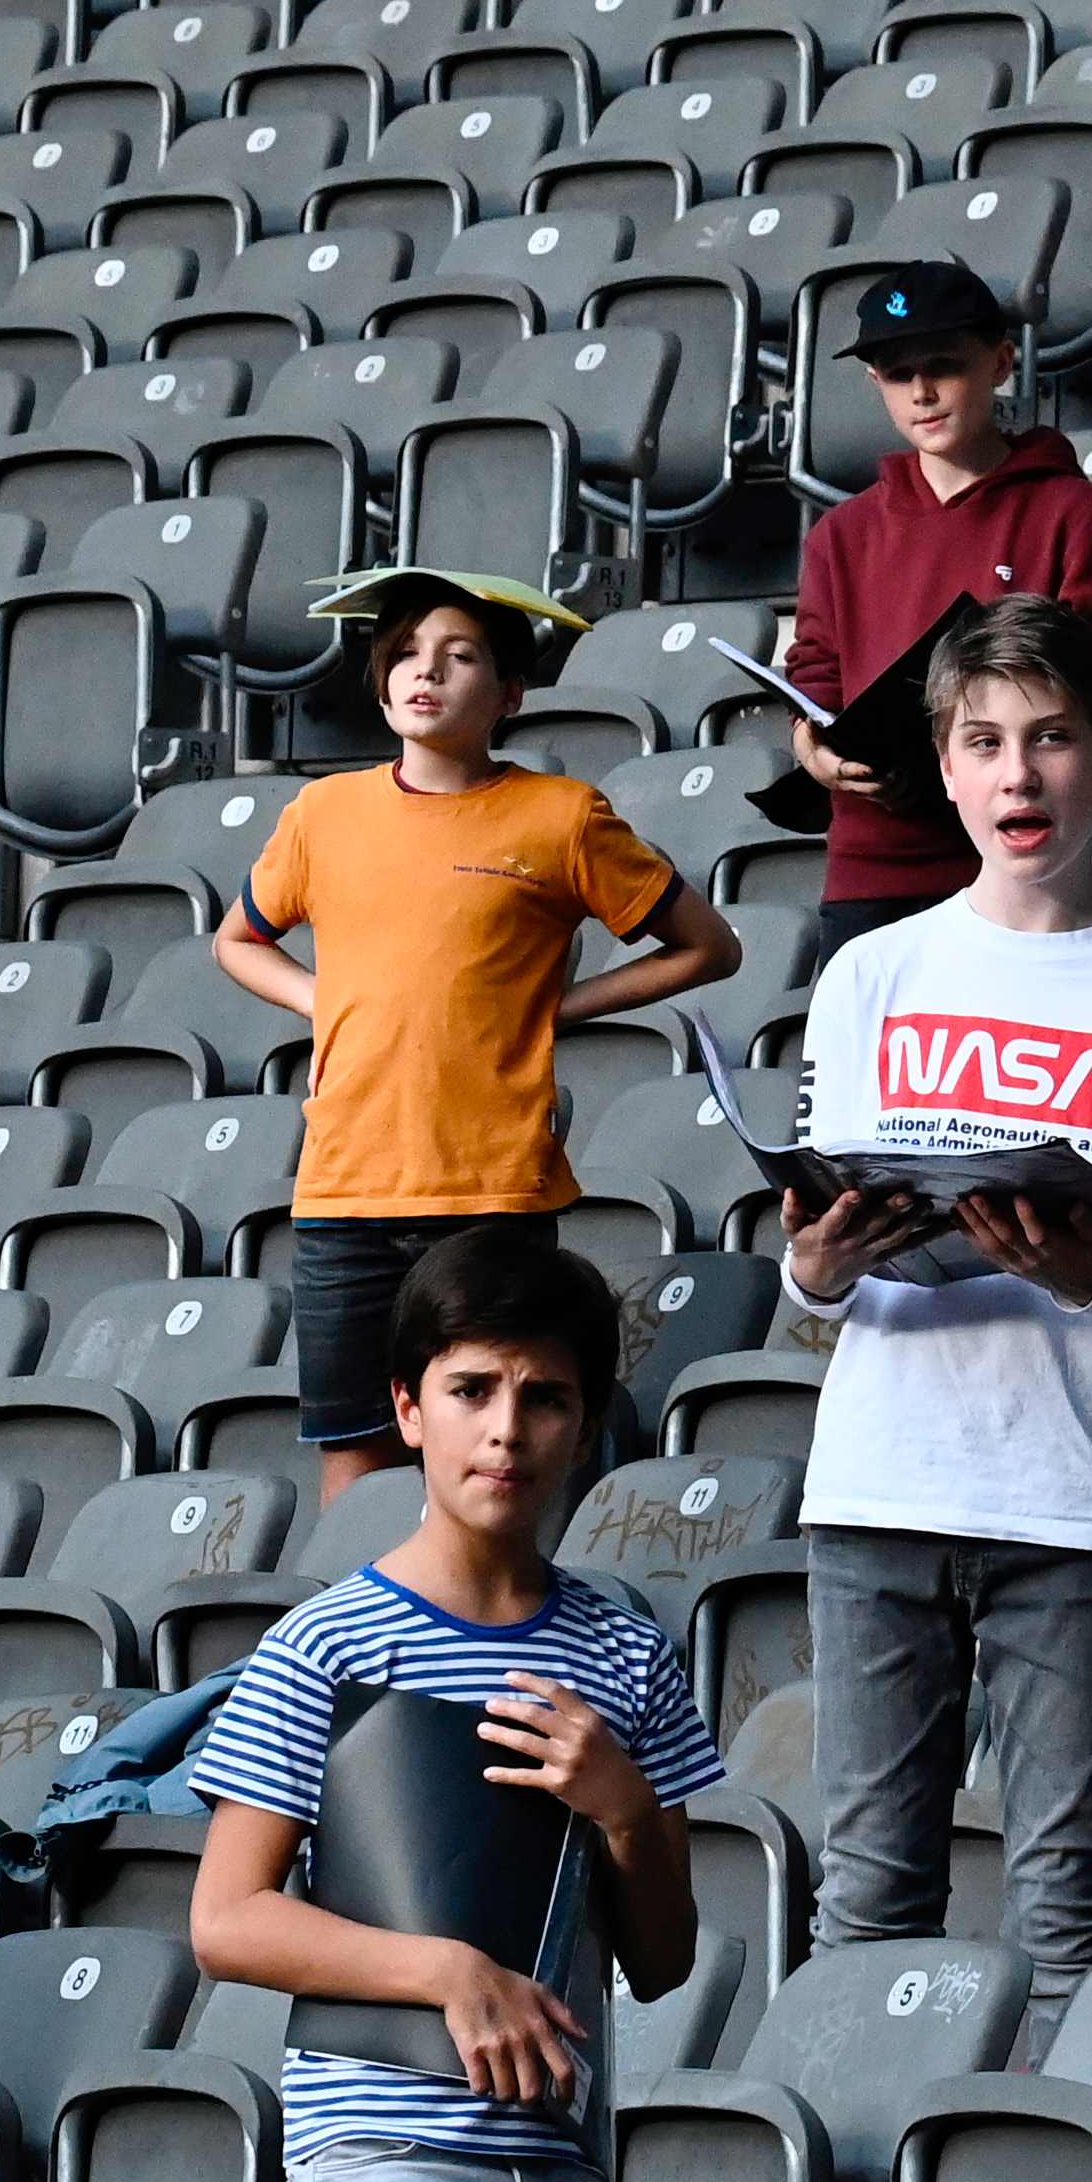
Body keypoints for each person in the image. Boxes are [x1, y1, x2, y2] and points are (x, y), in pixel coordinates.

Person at [784, 595, 1092, 2014]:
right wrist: (821, 1263)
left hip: (1066, 1507)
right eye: (986, 741)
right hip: (876, 1490)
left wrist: (1089, 1276)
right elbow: (813, 1278)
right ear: (942, 763)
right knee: (867, 1902)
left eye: (1052, 739)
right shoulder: (873, 972)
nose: (1019, 775)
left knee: (1068, 1905)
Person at [184, 1227, 721, 2182]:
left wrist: (622, 1806)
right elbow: (227, 1921)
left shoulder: (627, 1654)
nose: (506, 1429)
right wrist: (448, 1973)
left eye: (545, 1398)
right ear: (409, 1408)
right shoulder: (325, 1645)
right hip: (381, 2154)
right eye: (471, 1389)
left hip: (557, 2161)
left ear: (585, 1426)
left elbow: (663, 1959)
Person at [214, 571, 746, 1503]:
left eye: (460, 658)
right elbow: (237, 939)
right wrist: (323, 1000)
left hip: (491, 1192)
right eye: (409, 655)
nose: (428, 674)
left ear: (508, 695)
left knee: (495, 1463)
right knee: (358, 1460)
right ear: (380, 684)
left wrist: (558, 1008)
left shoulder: (562, 815)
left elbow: (708, 947)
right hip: (343, 1190)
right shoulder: (321, 814)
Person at [781, 261, 1092, 957]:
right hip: (869, 873)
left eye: (944, 366)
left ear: (1002, 363)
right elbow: (814, 684)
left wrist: (1006, 733)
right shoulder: (841, 534)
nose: (922, 392)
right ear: (875, 384)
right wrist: (816, 751)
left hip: (1020, 870)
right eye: (897, 374)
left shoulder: (1073, 515)